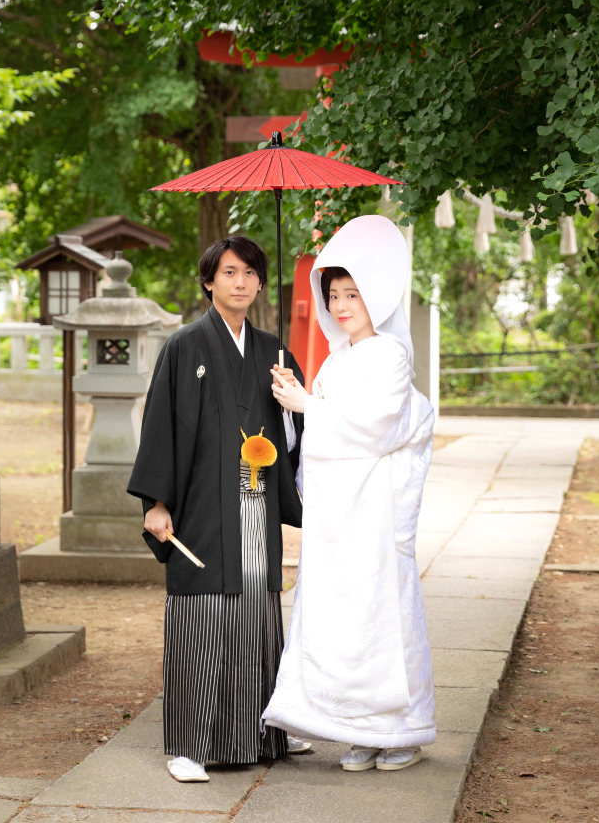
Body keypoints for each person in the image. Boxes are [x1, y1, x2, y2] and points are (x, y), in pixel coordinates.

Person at [127, 235, 308, 782]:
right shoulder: (184, 346)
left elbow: (296, 440)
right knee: (202, 615)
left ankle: (264, 730)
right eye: (229, 272)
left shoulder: (275, 352)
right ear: (209, 281)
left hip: (257, 504)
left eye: (250, 272)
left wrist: (293, 405)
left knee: (256, 615)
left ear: (260, 282)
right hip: (203, 505)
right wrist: (157, 503)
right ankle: (189, 744)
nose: (241, 282)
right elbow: (161, 425)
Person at [264, 214, 436, 772]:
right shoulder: (337, 360)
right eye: (334, 295)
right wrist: (297, 398)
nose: (341, 306)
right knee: (341, 617)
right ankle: (357, 728)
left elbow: (375, 428)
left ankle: (400, 731)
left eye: (352, 294)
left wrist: (309, 407)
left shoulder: (389, 354)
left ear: (375, 296)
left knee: (382, 615)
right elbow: (324, 427)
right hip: (339, 514)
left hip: (374, 513)